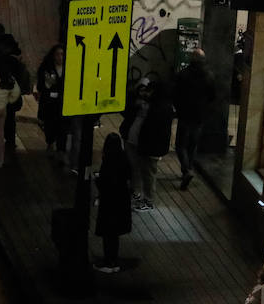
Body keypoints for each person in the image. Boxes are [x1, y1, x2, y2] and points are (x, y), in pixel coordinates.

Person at [120, 77, 174, 211]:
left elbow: (156, 130)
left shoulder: (161, 108)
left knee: (148, 173)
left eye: (150, 91)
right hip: (137, 142)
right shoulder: (148, 104)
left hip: (149, 146)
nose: (147, 93)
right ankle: (137, 193)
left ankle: (148, 201)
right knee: (137, 168)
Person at [173, 48, 216, 189]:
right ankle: (189, 168)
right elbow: (212, 96)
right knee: (192, 144)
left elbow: (176, 94)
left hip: (185, 115)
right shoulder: (209, 76)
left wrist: (178, 109)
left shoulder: (183, 75)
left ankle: (186, 170)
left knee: (180, 144)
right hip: (199, 117)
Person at [93, 133, 132, 273]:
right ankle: (113, 261)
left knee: (108, 235)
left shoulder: (109, 161)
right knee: (114, 236)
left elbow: (106, 183)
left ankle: (109, 262)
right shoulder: (123, 158)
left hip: (110, 203)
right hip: (121, 201)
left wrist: (97, 180)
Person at [34, 44, 66, 161]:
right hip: (50, 103)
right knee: (50, 124)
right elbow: (41, 86)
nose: (60, 57)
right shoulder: (46, 68)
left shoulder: (68, 69)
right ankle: (50, 143)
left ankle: (61, 149)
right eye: (58, 54)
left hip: (62, 103)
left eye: (62, 54)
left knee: (62, 126)